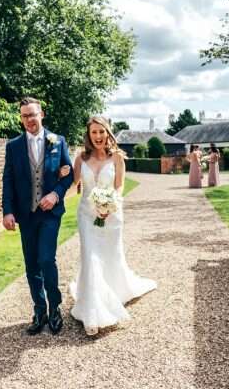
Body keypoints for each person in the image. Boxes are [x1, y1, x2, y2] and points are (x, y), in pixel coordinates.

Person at [60, 116, 156, 336]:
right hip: (86, 215)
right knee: (91, 258)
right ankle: (92, 313)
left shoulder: (117, 158)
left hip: (111, 215)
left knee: (111, 256)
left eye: (101, 132)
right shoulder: (80, 158)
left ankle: (115, 292)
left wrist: (109, 205)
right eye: (94, 132)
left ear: (108, 132)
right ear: (89, 135)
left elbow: (120, 186)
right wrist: (57, 187)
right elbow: (74, 184)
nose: (98, 137)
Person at [2, 97, 74, 335]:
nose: (29, 120)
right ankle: (39, 310)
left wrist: (55, 194)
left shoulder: (58, 141)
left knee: (46, 259)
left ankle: (55, 309)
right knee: (31, 263)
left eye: (33, 115)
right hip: (26, 214)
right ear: (21, 118)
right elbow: (8, 180)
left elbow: (68, 175)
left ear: (41, 114)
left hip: (50, 214)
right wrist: (8, 211)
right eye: (24, 116)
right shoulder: (13, 146)